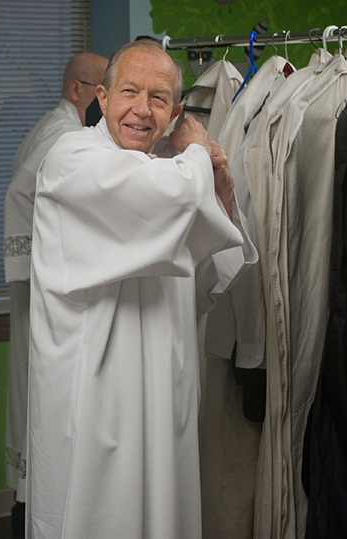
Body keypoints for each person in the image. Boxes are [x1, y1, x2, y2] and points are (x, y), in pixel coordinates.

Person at [26, 40, 257, 538]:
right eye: (129, 91)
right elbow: (158, 196)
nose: (141, 109)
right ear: (102, 98)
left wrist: (221, 191)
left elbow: (202, 278)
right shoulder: (73, 158)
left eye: (157, 98)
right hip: (95, 398)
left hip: (164, 390)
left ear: (173, 112)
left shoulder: (168, 175)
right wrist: (197, 150)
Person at [2, 51, 107, 535]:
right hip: (49, 293)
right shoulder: (66, 136)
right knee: (47, 410)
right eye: (106, 90)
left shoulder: (55, 127)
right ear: (78, 91)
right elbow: (21, 195)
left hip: (42, 289)